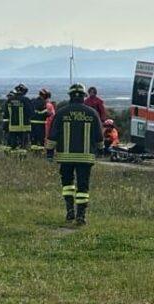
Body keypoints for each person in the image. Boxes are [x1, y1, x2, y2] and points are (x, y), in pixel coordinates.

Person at [46, 83, 104, 225]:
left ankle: (70, 210)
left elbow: (52, 134)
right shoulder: (92, 113)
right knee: (83, 187)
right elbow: (99, 136)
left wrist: (49, 152)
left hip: (65, 157)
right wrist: (101, 150)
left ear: (70, 96)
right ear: (84, 96)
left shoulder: (61, 113)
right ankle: (81, 216)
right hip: (85, 158)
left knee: (67, 185)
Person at [3, 84, 31, 148]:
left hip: (12, 127)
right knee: (23, 145)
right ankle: (22, 157)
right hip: (24, 127)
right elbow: (31, 113)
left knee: (13, 145)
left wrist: (6, 126)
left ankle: (12, 156)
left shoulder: (9, 100)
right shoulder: (25, 100)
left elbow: (6, 114)